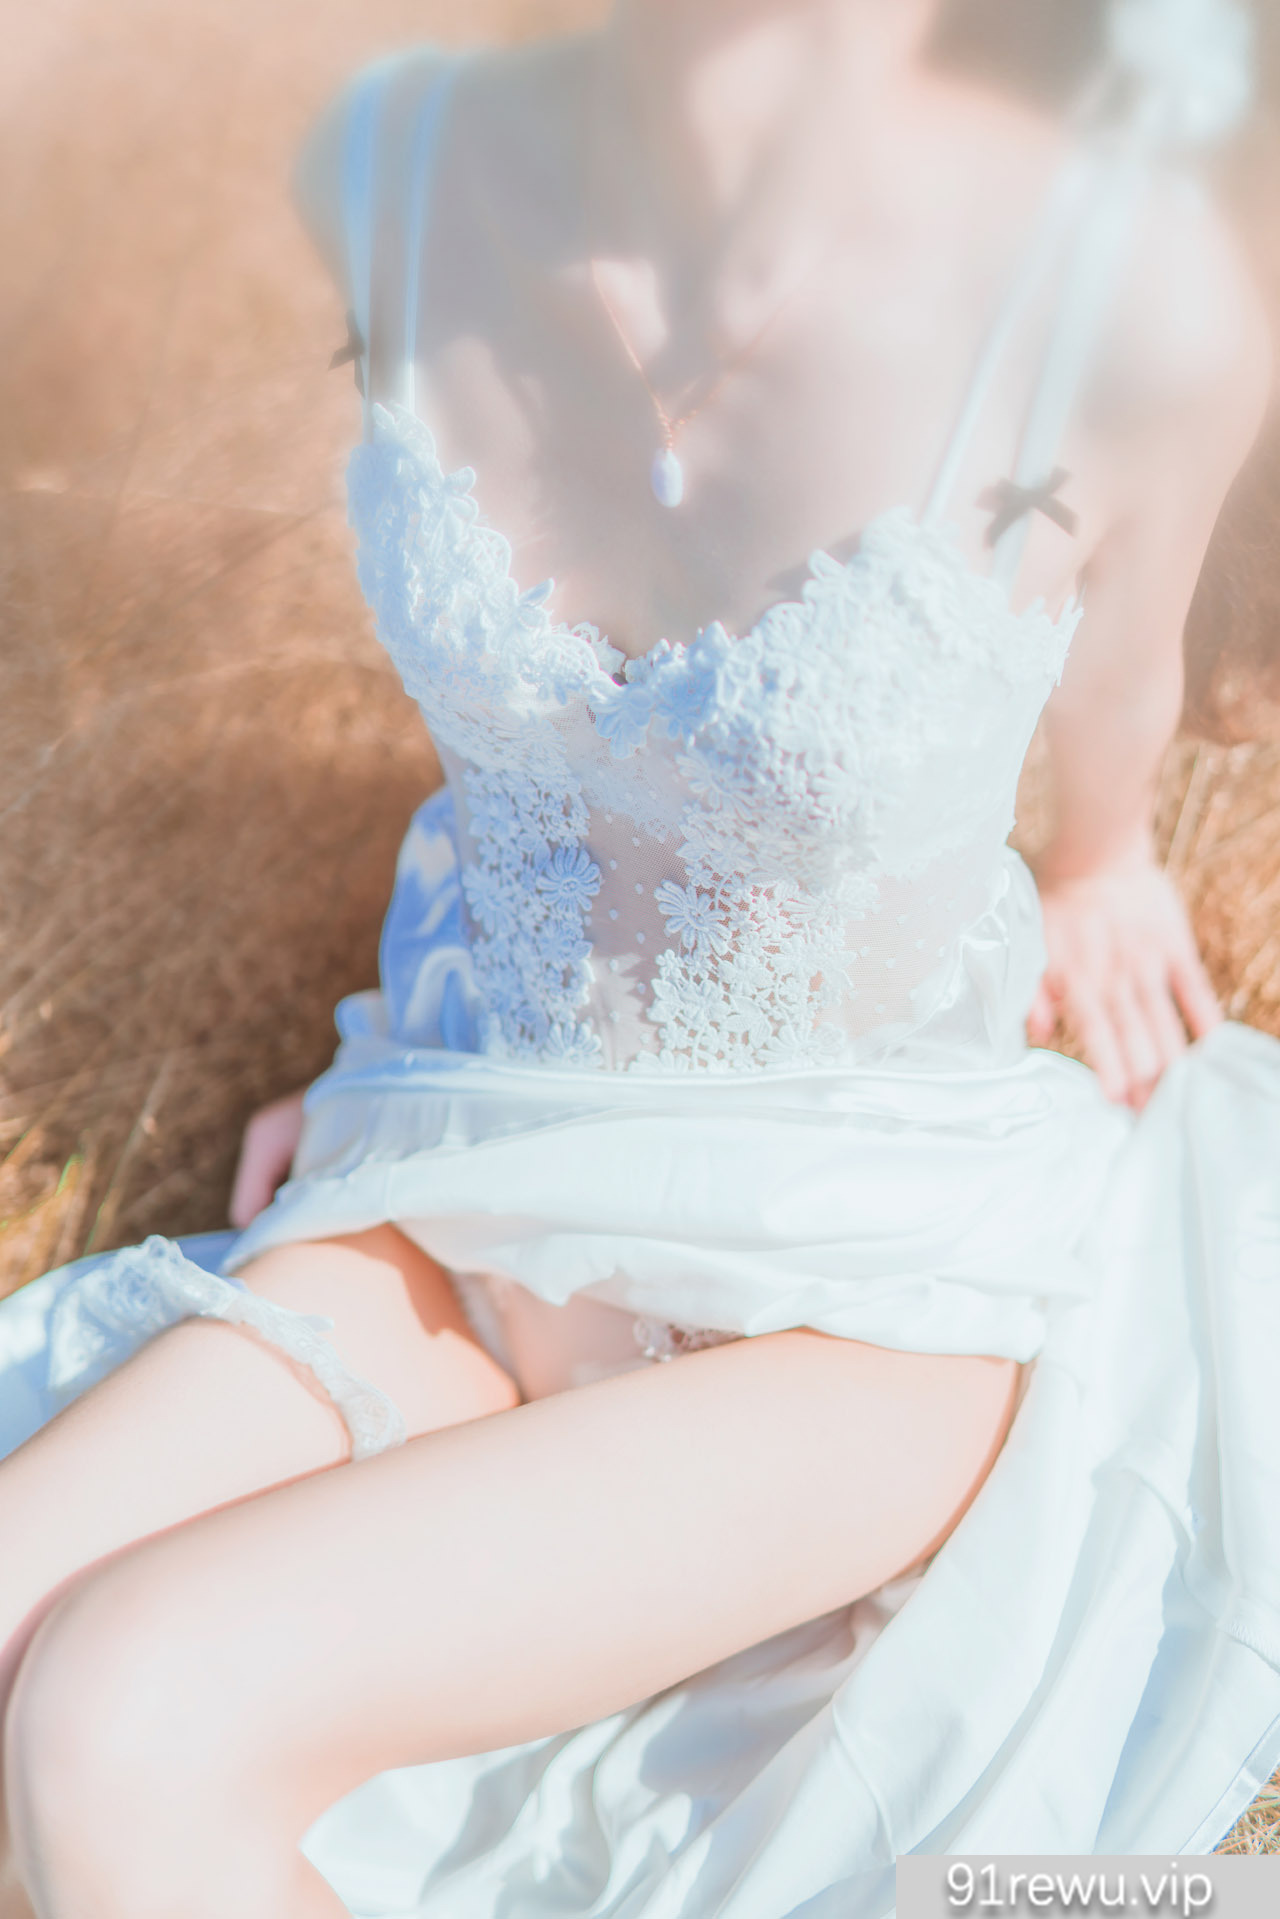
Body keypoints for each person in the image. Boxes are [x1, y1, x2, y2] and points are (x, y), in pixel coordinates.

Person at [0, 0, 1276, 1913]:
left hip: (852, 1291)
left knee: (124, 1718)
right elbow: (554, 751)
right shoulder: (402, 165)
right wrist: (414, 1020)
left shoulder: (1131, 298)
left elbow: (1127, 665)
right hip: (469, 1189)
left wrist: (1106, 863)